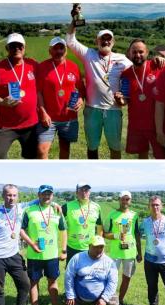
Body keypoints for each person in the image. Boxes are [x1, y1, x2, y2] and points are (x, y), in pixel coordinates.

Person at [66, 7, 132, 159]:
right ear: (97, 41)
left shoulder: (122, 59)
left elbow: (139, 69)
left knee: (115, 147)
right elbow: (70, 40)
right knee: (92, 146)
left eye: (109, 39)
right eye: (103, 39)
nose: (106, 41)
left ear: (113, 42)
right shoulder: (88, 54)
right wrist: (74, 21)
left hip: (113, 110)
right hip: (92, 109)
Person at [0, 33, 39, 159]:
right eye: (13, 46)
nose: (17, 48)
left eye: (20, 46)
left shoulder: (33, 65)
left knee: (33, 158)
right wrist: (2, 101)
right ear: (7, 48)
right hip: (5, 126)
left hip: (31, 125)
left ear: (24, 47)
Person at [20, 185, 67, 305]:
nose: (47, 196)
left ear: (52, 195)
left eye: (49, 194)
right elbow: (21, 230)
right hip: (34, 254)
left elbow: (64, 231)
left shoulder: (57, 210)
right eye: (44, 194)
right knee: (34, 281)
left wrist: (63, 250)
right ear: (38, 195)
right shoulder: (29, 210)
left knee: (53, 281)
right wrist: (31, 244)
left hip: (52, 255)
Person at [36, 37, 85, 159]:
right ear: (50, 51)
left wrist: (80, 99)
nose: (58, 51)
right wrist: (42, 112)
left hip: (68, 117)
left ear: (66, 50)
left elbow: (81, 88)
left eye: (61, 48)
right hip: (48, 118)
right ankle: (44, 178)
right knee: (42, 150)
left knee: (65, 148)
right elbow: (38, 92)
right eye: (55, 48)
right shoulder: (42, 67)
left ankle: (62, 175)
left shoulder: (74, 67)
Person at [64, 235, 119, 305]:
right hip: (79, 296)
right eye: (96, 247)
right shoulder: (77, 258)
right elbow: (68, 277)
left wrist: (104, 298)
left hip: (100, 297)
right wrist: (70, 295)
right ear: (89, 246)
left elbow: (113, 282)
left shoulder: (109, 262)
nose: (99, 250)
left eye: (101, 247)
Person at [103, 191, 142, 305]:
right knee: (111, 277)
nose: (125, 201)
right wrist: (116, 236)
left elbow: (137, 234)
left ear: (130, 201)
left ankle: (120, 300)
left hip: (130, 253)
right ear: (119, 199)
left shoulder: (134, 215)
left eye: (127, 199)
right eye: (123, 199)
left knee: (127, 278)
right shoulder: (111, 215)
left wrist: (140, 253)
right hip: (115, 253)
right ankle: (108, 299)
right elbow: (104, 233)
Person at [62, 182, 103, 265]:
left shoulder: (96, 207)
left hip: (91, 247)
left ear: (89, 192)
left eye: (86, 190)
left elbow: (100, 227)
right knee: (71, 275)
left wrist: (100, 246)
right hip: (72, 247)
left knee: (89, 274)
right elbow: (54, 216)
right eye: (81, 190)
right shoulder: (67, 206)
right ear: (76, 192)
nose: (84, 192)